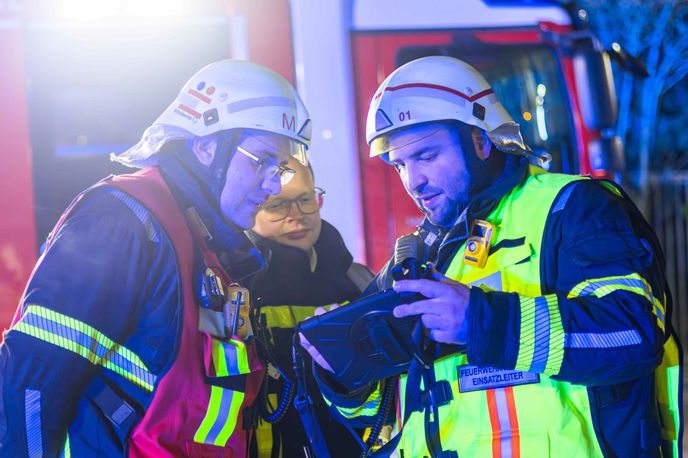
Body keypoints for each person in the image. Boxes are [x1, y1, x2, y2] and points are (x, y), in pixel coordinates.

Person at [303, 56, 682, 457]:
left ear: (480, 141)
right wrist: (344, 370)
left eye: (427, 156)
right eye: (400, 165)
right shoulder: (417, 254)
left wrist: (478, 321)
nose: (414, 182)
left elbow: (633, 335)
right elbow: (376, 416)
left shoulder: (574, 208)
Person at [0, 60, 314, 457]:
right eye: (263, 161)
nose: (273, 185)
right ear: (206, 147)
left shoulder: (207, 244)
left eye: (282, 168)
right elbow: (33, 378)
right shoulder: (120, 220)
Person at [247, 158, 372, 457]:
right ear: (251, 207)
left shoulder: (360, 282)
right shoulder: (234, 289)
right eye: (277, 205)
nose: (297, 216)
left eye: (305, 199)